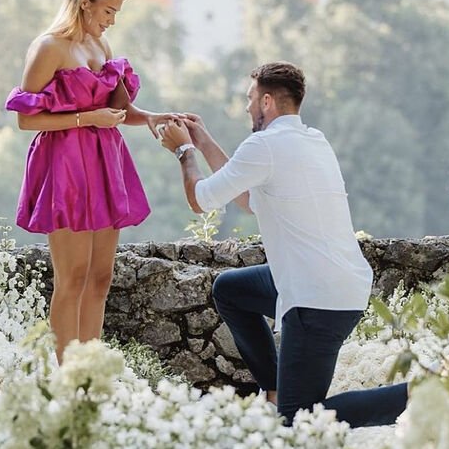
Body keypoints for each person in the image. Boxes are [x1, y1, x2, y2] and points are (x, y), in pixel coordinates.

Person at [158, 61, 408, 426]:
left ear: (267, 101)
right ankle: (275, 387)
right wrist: (204, 141)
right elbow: (247, 199)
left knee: (300, 419)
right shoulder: (312, 140)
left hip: (318, 298)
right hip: (333, 281)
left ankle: (423, 391)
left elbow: (200, 199)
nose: (246, 107)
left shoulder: (264, 146)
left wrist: (185, 152)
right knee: (230, 289)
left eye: (250, 98)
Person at [5, 0, 181, 362]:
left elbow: (117, 109)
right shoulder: (48, 47)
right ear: (84, 2)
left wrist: (150, 117)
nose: (111, 21)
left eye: (116, 13)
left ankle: (91, 369)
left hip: (104, 163)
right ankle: (66, 376)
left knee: (100, 278)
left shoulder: (102, 49)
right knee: (72, 278)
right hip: (64, 166)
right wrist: (86, 120)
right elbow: (26, 119)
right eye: (107, 11)